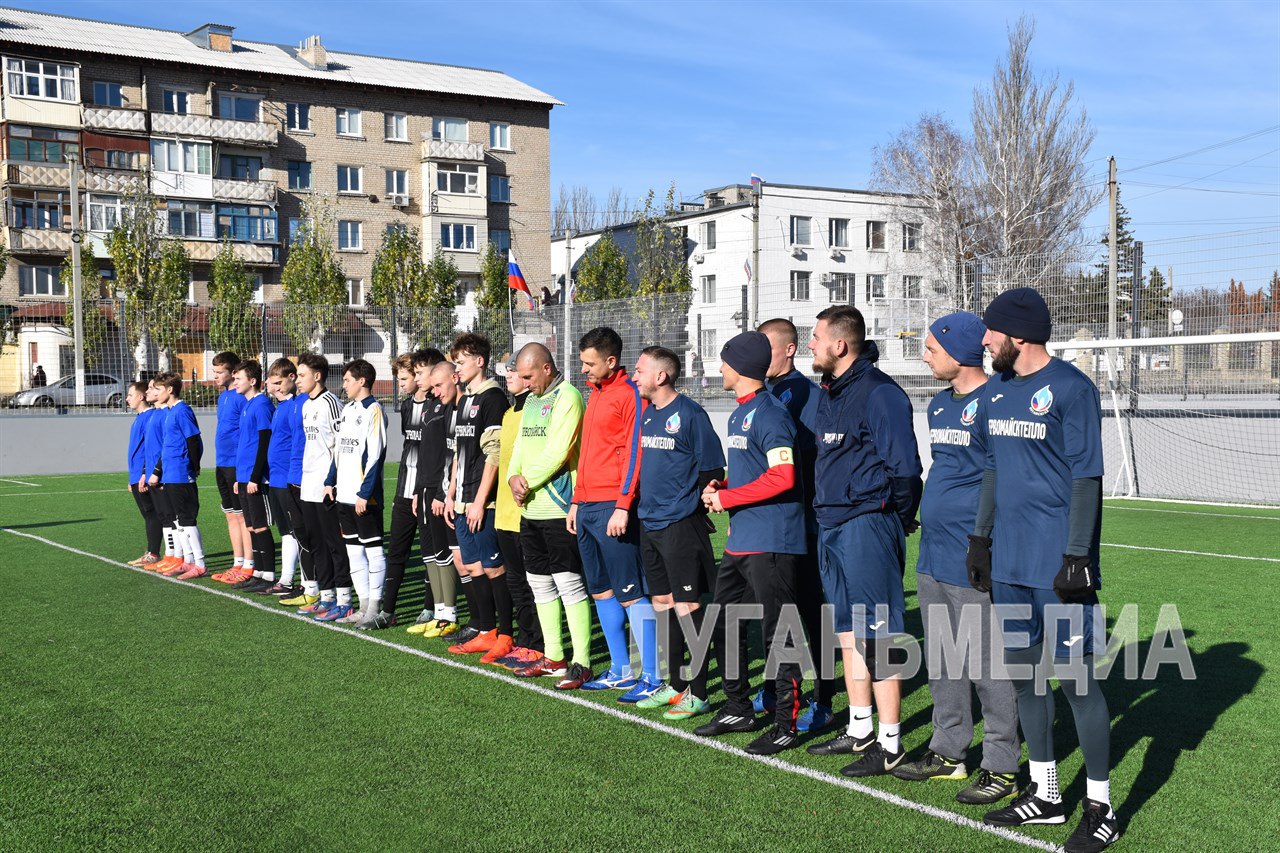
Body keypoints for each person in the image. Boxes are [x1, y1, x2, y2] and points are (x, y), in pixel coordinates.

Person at [969, 288, 1121, 852]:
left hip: (1059, 568)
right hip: (1008, 564)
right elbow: (990, 470)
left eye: (991, 332)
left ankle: (1102, 807)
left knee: (1078, 684)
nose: (984, 341)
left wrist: (1078, 554)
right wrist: (979, 541)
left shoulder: (1073, 389)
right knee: (1027, 679)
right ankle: (1047, 792)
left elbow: (1087, 477)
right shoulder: (998, 392)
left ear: (1020, 336)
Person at [891, 312, 1021, 806]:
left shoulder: (997, 402)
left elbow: (1001, 478)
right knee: (944, 658)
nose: (925, 355)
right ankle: (949, 751)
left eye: (931, 348)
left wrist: (983, 541)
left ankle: (1002, 765)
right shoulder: (941, 405)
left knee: (988, 663)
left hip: (974, 554)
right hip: (932, 553)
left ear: (962, 352)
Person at [805, 305, 923, 777]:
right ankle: (859, 729)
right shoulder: (829, 391)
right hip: (830, 524)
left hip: (865, 526)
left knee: (880, 635)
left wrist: (893, 518)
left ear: (840, 344)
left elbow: (907, 471)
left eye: (814, 338)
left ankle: (890, 743)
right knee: (849, 633)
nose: (810, 345)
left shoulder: (880, 393)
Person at [696, 331, 808, 755]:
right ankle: (739, 707)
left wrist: (726, 497)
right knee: (724, 623)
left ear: (739, 366)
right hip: (742, 541)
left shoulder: (772, 414)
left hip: (773, 541)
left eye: (723, 361)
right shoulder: (739, 412)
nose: (719, 368)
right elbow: (755, 470)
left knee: (780, 635)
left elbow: (784, 477)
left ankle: (785, 724)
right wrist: (723, 483)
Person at [631, 346, 724, 721]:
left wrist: (695, 506)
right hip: (649, 523)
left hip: (680, 526)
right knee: (663, 603)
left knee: (688, 606)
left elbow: (712, 467)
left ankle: (698, 692)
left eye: (639, 371)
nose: (634, 376)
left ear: (661, 376)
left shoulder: (690, 414)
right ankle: (674, 684)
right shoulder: (649, 415)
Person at [758, 317, 839, 733]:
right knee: (776, 612)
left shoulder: (803, 393)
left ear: (789, 350)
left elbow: (812, 458)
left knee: (810, 611)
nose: (758, 356)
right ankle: (774, 688)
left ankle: (825, 697)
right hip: (772, 523)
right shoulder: (762, 393)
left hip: (804, 522)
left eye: (766, 347)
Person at [571, 326, 660, 700]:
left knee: (630, 592)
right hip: (588, 507)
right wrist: (576, 500)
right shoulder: (595, 396)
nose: (584, 371)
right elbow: (588, 456)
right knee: (601, 591)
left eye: (590, 364)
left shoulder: (628, 396)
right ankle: (621, 669)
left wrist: (624, 504)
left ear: (611, 361)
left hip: (613, 507)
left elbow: (635, 454)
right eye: (582, 363)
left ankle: (652, 675)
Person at [507, 343, 595, 689]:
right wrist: (514, 476)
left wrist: (525, 481)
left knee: (570, 584)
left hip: (559, 508)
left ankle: (582, 661)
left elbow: (560, 451)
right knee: (540, 585)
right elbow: (519, 448)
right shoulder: (531, 400)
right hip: (530, 508)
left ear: (546, 368)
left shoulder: (568, 397)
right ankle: (555, 656)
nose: (525, 383)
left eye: (529, 376)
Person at [443, 334, 515, 661]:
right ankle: (486, 632)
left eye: (461, 361)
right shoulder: (465, 399)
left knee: (493, 567)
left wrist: (479, 499)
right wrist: (451, 492)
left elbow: (495, 453)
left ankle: (505, 634)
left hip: (482, 501)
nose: (456, 368)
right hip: (462, 498)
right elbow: (460, 450)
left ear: (480, 361)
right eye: (455, 362)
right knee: (472, 566)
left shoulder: (493, 398)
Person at [323, 359, 388, 628]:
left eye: (348, 380)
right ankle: (362, 606)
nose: (344, 385)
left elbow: (376, 455)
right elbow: (339, 450)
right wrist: (330, 481)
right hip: (344, 495)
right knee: (353, 552)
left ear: (362, 381)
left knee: (373, 551)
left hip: (364, 498)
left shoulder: (374, 410)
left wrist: (365, 493)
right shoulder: (347, 410)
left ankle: (375, 607)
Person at [383, 351, 444, 630]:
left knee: (430, 553)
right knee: (397, 551)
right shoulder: (407, 408)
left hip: (428, 491)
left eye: (405, 378)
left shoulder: (438, 405)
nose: (402, 383)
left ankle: (430, 608)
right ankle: (387, 610)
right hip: (404, 492)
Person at [491, 359, 544, 668]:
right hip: (503, 512)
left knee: (532, 583)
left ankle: (536, 644)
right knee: (515, 582)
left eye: (514, 373)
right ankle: (523, 641)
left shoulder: (534, 412)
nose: (509, 377)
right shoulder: (510, 413)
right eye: (507, 373)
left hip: (526, 511)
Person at [294, 354, 352, 621]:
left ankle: (344, 599)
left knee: (334, 543)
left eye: (302, 375)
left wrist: (333, 480)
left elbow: (341, 447)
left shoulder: (332, 404)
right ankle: (325, 596)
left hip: (326, 485)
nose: (297, 380)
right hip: (308, 482)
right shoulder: (306, 405)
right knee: (315, 541)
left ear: (317, 376)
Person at [416, 360, 467, 639]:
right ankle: (441, 612)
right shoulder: (437, 407)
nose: (434, 390)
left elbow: (450, 458)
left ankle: (452, 614)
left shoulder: (457, 409)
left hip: (449, 494)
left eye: (438, 384)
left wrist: (440, 492)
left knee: (458, 557)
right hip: (434, 490)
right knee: (434, 552)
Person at [149, 372, 207, 580]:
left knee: (187, 520)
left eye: (158, 389)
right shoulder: (171, 412)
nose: (155, 392)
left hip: (182, 473)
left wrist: (194, 466)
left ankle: (200, 563)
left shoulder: (183, 411)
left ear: (170, 390)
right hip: (171, 474)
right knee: (180, 522)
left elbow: (194, 440)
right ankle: (188, 561)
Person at [226, 360, 278, 592]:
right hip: (245, 476)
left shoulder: (262, 404)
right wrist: (240, 478)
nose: (235, 382)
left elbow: (265, 441)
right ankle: (257, 572)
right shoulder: (247, 405)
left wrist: (256, 477)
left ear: (253, 381)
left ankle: (268, 575)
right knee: (250, 526)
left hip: (256, 478)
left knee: (261, 526)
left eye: (239, 379)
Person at [260, 358, 304, 598]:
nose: (274, 387)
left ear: (292, 378)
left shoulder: (298, 404)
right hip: (275, 479)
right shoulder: (280, 407)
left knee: (297, 532)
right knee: (286, 532)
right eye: (271, 383)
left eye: (278, 382)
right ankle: (285, 579)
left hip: (290, 479)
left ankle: (298, 582)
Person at [210, 350, 252, 581]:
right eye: (214, 372)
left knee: (244, 517)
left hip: (237, 466)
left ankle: (249, 564)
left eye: (220, 372)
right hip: (222, 464)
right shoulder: (223, 396)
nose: (215, 376)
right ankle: (237, 563)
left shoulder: (239, 396)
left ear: (233, 372)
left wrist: (242, 469)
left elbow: (246, 434)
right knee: (231, 515)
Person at [140, 379, 183, 574]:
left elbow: (166, 448)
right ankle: (170, 555)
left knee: (172, 518)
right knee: (165, 517)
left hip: (165, 475)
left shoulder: (167, 414)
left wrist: (159, 472)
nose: (149, 391)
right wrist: (145, 472)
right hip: (153, 475)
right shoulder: (156, 415)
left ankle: (178, 556)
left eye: (153, 388)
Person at [125, 380, 162, 567]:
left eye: (130, 395)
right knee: (147, 514)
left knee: (152, 513)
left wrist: (143, 474)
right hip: (136, 476)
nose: (127, 399)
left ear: (140, 397)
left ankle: (154, 552)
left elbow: (151, 448)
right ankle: (151, 551)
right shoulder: (139, 417)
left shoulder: (149, 417)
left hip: (143, 476)